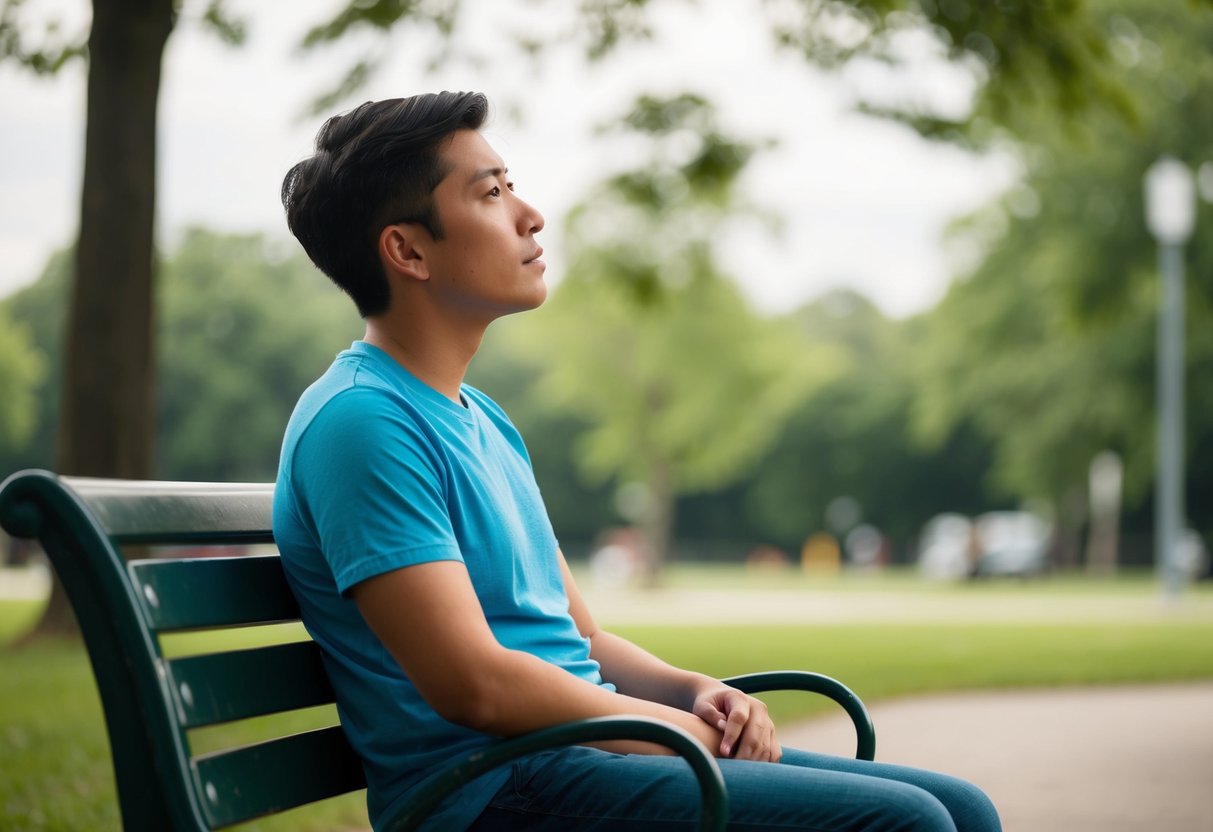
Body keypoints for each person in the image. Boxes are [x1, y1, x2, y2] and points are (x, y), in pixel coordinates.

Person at [274, 91, 1002, 832]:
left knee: (961, 809)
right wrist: (663, 731)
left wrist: (689, 693)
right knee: (909, 824)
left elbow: (581, 641)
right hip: (489, 790)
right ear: (407, 250)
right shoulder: (362, 423)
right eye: (490, 193)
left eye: (511, 185)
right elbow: (475, 688)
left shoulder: (480, 417)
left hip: (575, 760)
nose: (529, 215)